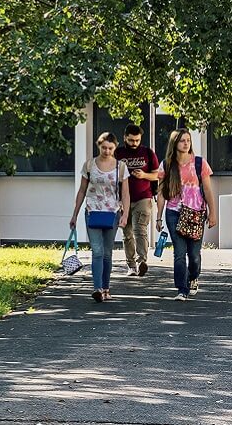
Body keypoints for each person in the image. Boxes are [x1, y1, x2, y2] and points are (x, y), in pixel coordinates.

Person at [155, 128, 217, 301]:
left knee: (194, 255)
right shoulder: (166, 165)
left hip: (196, 213)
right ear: (175, 143)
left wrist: (213, 213)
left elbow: (207, 189)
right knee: (179, 253)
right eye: (182, 140)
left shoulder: (199, 163)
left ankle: (193, 277)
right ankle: (182, 289)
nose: (186, 143)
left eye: (188, 140)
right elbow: (161, 193)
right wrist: (159, 217)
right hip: (174, 212)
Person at [70, 132, 131, 302]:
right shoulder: (89, 165)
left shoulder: (121, 167)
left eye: (110, 148)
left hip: (112, 212)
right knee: (97, 251)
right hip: (92, 211)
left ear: (115, 147)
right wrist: (74, 214)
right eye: (104, 147)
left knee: (107, 253)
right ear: (99, 146)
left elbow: (125, 194)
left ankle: (106, 288)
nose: (107, 151)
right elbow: (82, 190)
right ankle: (97, 288)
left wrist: (125, 214)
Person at [115, 124, 160, 276]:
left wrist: (144, 176)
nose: (134, 143)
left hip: (143, 197)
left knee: (139, 229)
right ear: (124, 138)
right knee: (127, 233)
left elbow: (157, 175)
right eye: (131, 140)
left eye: (137, 140)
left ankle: (142, 261)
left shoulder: (147, 152)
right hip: (122, 199)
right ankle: (131, 266)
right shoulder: (117, 153)